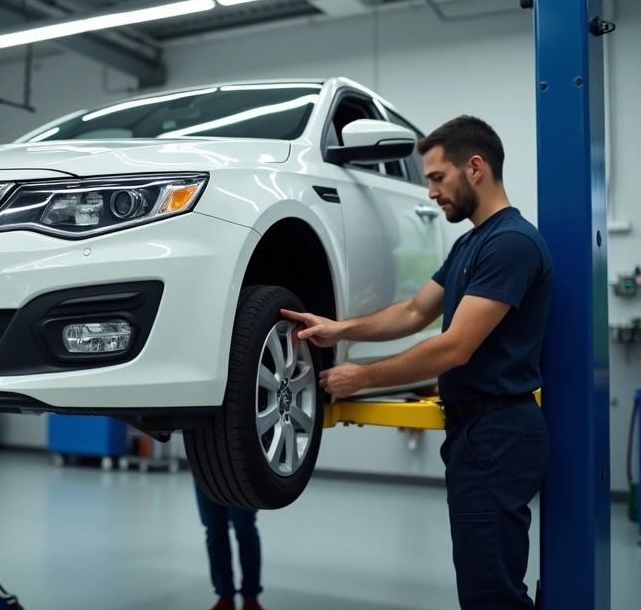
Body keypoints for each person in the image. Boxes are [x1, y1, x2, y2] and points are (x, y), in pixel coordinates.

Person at [282, 115, 553, 610]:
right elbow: (412, 311)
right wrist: (340, 328)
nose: (429, 193)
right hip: (476, 434)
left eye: (436, 177)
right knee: (483, 584)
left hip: (499, 432)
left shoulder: (511, 243)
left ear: (475, 168)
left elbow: (454, 347)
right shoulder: (471, 244)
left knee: (492, 595)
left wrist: (361, 377)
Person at [194, 481, 264, 610]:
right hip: (204, 470)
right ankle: (224, 595)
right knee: (214, 531)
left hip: (240, 471)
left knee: (245, 530)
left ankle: (251, 597)